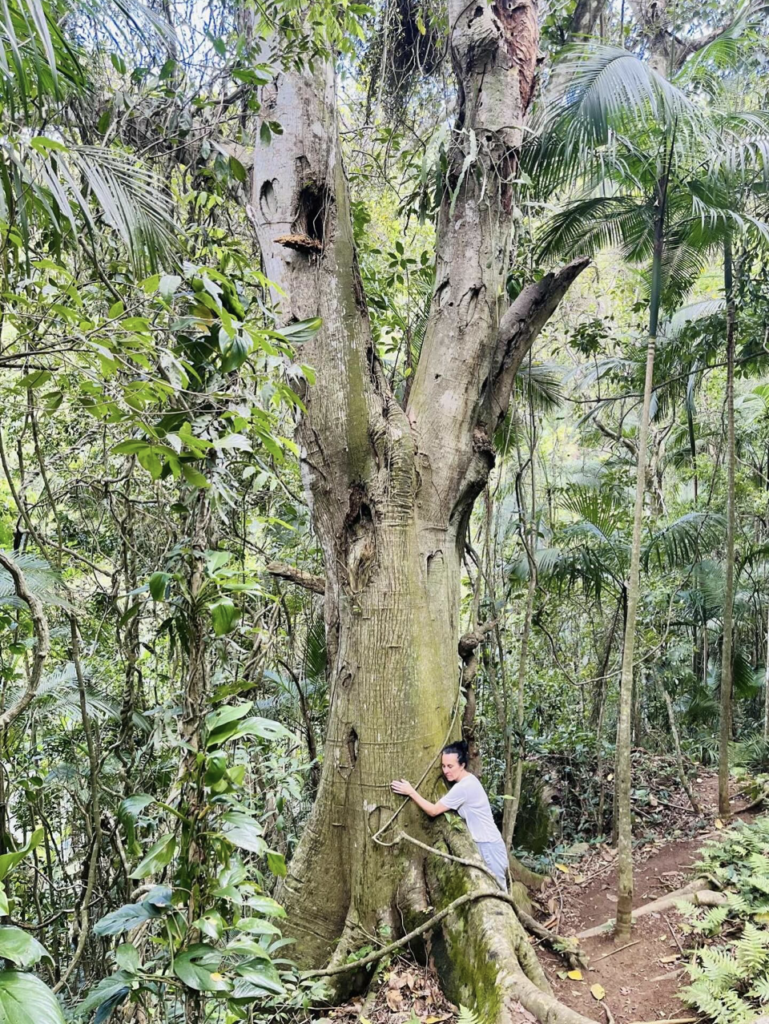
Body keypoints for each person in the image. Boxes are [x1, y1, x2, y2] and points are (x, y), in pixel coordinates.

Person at [391, 740, 508, 890]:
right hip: (486, 842)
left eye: (450, 766)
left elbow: (433, 811)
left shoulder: (464, 787)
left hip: (488, 845)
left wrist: (411, 791)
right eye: (443, 766)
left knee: (498, 892)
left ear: (462, 765)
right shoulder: (468, 781)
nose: (446, 771)